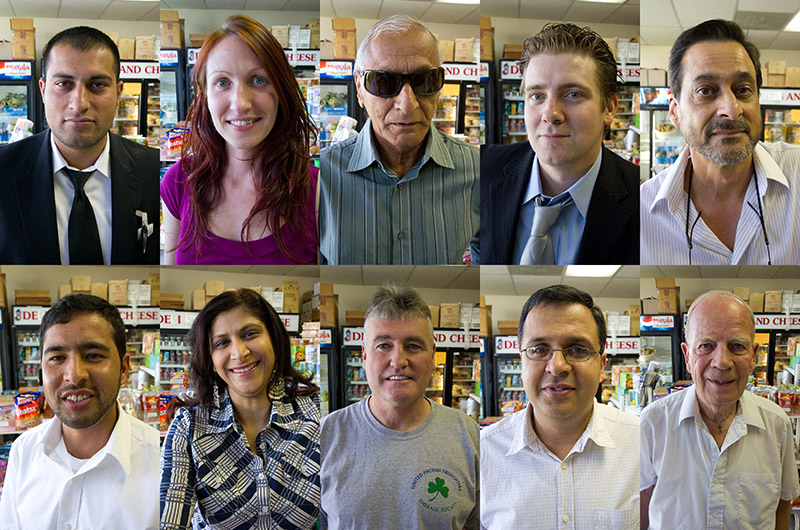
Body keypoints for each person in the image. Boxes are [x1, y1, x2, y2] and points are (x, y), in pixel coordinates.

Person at [319, 14, 480, 265]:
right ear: (359, 89)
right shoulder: (321, 175)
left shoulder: (478, 170)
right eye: (385, 82)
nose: (407, 105)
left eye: (424, 81)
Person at [161, 15, 318, 265]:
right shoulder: (178, 181)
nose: (241, 104)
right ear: (205, 97)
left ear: (281, 91)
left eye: (258, 80)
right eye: (222, 82)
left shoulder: (318, 191)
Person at [641, 19, 800, 264]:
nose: (731, 109)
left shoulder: (796, 171)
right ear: (674, 112)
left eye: (743, 89)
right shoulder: (641, 211)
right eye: (705, 91)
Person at [320, 285, 479, 529]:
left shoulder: (470, 437)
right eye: (384, 345)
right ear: (364, 356)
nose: (398, 361)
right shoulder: (323, 435)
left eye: (413, 346)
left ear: (433, 355)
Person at [481, 285, 639, 529]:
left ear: (602, 366)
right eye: (540, 350)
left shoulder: (644, 443)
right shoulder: (482, 453)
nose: (557, 367)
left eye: (577, 350)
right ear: (521, 361)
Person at [160, 288, 320, 529]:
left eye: (249, 334)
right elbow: (169, 518)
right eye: (222, 342)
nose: (239, 353)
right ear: (210, 359)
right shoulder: (189, 427)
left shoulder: (316, 414)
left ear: (274, 341)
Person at [481, 24, 639, 265]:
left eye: (573, 94)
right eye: (537, 96)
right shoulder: (482, 167)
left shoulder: (642, 200)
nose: (551, 114)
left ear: (609, 108)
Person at [0, 26, 159, 265]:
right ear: (43, 90)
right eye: (64, 83)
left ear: (119, 92)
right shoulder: (4, 170)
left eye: (97, 85)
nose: (79, 103)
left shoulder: (153, 169)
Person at [640, 291, 800, 529]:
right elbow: (640, 510)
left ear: (754, 355)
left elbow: (782, 506)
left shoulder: (777, 425)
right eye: (706, 346)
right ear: (687, 356)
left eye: (737, 346)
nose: (722, 362)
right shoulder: (652, 423)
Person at [0, 294, 159, 529]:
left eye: (93, 356)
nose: (74, 376)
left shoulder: (163, 459)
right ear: (41, 370)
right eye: (57, 357)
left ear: (124, 369)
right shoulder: (23, 452)